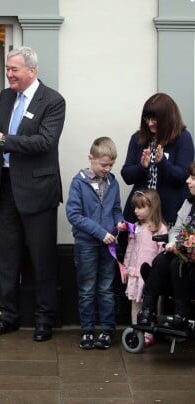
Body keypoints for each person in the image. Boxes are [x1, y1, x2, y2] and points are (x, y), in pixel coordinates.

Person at [0, 46, 65, 342]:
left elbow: (45, 142)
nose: (9, 74)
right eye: (8, 69)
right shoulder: (4, 97)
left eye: (14, 69)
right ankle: (8, 316)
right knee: (8, 258)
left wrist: (2, 139)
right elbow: (0, 138)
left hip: (38, 190)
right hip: (6, 188)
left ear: (32, 71)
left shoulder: (52, 101)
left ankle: (44, 319)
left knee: (42, 259)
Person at [65, 137, 124, 350]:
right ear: (91, 158)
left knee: (107, 289)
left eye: (111, 165)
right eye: (103, 165)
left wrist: (119, 223)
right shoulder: (79, 182)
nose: (107, 169)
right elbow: (74, 214)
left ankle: (107, 331)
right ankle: (88, 330)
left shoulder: (113, 182)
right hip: (86, 244)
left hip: (108, 244)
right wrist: (100, 232)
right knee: (87, 289)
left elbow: (116, 208)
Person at [138, 161, 195, 330]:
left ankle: (181, 314)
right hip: (181, 250)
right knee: (161, 260)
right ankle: (147, 309)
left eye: (192, 178)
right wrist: (173, 242)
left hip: (191, 258)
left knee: (176, 264)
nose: (187, 181)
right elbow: (176, 228)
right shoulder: (189, 203)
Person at [121, 93, 194, 226]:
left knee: (167, 246)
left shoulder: (183, 138)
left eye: (154, 119)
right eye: (147, 119)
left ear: (168, 118)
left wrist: (162, 163)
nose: (150, 123)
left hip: (169, 214)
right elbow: (126, 175)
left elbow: (183, 176)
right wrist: (142, 167)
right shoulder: (137, 138)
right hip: (140, 213)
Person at [122, 189, 167, 347]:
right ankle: (137, 330)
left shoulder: (160, 228)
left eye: (140, 207)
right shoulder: (135, 227)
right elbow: (130, 247)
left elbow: (162, 252)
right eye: (135, 208)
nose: (136, 211)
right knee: (136, 303)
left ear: (152, 207)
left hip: (149, 275)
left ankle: (149, 332)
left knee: (149, 303)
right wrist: (126, 267)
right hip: (135, 271)